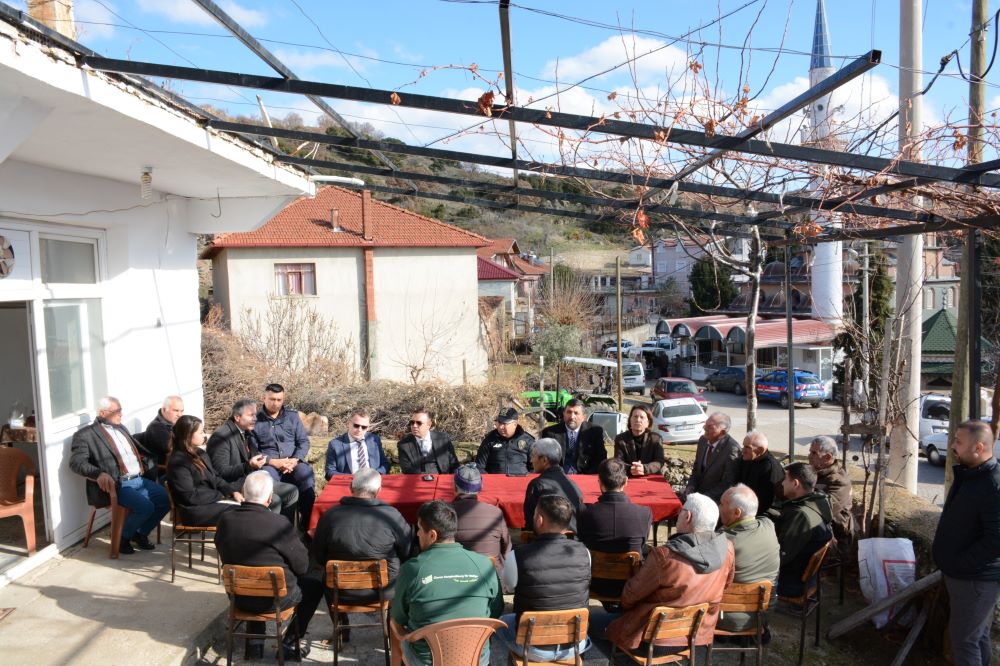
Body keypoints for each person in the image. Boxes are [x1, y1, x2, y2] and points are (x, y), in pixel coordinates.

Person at [607, 493, 735, 656]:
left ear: (687, 516)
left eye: (681, 511)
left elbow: (629, 596)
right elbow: (726, 585)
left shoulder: (665, 556)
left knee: (605, 626)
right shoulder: (728, 548)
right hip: (698, 636)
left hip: (654, 639)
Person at [215, 471, 321, 660]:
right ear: (270, 497)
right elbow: (302, 566)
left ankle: (254, 645)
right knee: (314, 586)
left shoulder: (225, 520)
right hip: (276, 599)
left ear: (243, 492)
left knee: (254, 576)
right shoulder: (278, 524)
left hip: (238, 596)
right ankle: (288, 645)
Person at [391, 501, 501, 666]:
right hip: (476, 658)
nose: (418, 534)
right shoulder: (485, 565)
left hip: (428, 661)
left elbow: (399, 618)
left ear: (432, 535)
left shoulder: (411, 570)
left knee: (393, 625)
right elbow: (495, 611)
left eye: (420, 529)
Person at [932, 420, 1000, 666]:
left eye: (959, 442)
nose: (952, 446)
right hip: (966, 576)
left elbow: (996, 540)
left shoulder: (993, 484)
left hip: (975, 580)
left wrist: (960, 564)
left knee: (964, 641)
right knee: (977, 637)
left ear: (978, 447)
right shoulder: (972, 474)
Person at [69, 396, 169, 555]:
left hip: (139, 479)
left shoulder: (121, 427)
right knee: (146, 507)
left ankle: (140, 533)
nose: (121, 414)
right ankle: (122, 537)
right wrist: (98, 473)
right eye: (117, 411)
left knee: (165, 500)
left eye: (121, 410)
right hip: (117, 485)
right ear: (102, 413)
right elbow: (76, 463)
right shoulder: (86, 435)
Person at [499, 495, 592, 662]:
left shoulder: (518, 555)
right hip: (574, 644)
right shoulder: (584, 552)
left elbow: (510, 586)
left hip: (533, 647)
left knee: (503, 621)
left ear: (539, 519)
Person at [311, 469, 412, 604]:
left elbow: (319, 555)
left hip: (338, 590)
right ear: (378, 490)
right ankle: (391, 621)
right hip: (385, 589)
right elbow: (406, 552)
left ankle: (341, 621)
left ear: (350, 487)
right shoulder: (392, 515)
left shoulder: (330, 516)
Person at [207, 399, 299, 522]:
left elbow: (257, 455)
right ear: (237, 417)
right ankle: (263, 536)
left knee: (291, 492)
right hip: (232, 488)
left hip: (250, 482)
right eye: (251, 415)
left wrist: (280, 463)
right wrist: (248, 466)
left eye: (255, 414)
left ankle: (284, 532)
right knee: (274, 500)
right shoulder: (221, 437)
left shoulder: (245, 432)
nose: (255, 418)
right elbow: (220, 472)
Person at [577, 458, 652, 600]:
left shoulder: (585, 513)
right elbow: (641, 545)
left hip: (594, 582)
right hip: (631, 583)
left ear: (599, 482)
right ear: (626, 481)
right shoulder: (644, 514)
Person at [717, 484, 780, 634]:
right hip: (762, 614)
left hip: (726, 617)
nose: (718, 507)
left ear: (737, 512)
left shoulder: (723, 543)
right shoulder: (769, 526)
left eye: (721, 504)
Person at [253, 384, 315, 529]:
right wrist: (273, 461)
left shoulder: (292, 417)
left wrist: (295, 460)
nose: (276, 403)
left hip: (293, 463)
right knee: (268, 482)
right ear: (264, 398)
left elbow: (303, 442)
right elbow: (254, 450)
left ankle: (306, 525)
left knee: (306, 476)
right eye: (272, 399)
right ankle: (277, 527)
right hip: (269, 465)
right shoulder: (255, 420)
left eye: (279, 400)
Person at [166, 415, 243, 526]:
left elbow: (215, 477)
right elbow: (190, 496)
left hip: (210, 502)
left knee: (248, 509)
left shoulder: (200, 453)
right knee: (242, 513)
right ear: (188, 435)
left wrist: (231, 491)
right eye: (201, 432)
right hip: (195, 511)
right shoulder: (178, 462)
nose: (204, 435)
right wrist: (220, 495)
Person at [775, 462, 833, 597]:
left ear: (795, 484)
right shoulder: (818, 501)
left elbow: (782, 555)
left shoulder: (800, 515)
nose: (782, 483)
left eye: (785, 479)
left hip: (791, 583)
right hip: (807, 577)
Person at [450, 465, 511, 580]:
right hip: (491, 577)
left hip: (455, 578)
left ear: (454, 487)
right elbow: (506, 548)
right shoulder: (495, 512)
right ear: (480, 487)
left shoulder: (444, 513)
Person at [523, 437, 584, 533]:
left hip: (546, 542)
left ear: (544, 460)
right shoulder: (573, 485)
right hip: (573, 542)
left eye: (533, 456)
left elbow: (531, 522)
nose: (531, 460)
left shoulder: (537, 485)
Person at [682, 411, 740, 503]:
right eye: (705, 425)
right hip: (696, 495)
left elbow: (727, 483)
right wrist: (690, 486)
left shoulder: (732, 449)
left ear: (722, 432)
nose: (704, 428)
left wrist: (703, 498)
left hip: (714, 501)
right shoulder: (703, 440)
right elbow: (697, 468)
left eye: (710, 427)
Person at [540, 399, 607, 474]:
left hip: (585, 477)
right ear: (563, 414)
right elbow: (544, 460)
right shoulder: (550, 433)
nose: (572, 417)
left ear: (584, 416)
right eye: (569, 412)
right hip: (558, 477)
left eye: (576, 413)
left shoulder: (594, 432)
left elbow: (601, 459)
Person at [808, 436, 854, 545]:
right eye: (810, 452)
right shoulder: (816, 471)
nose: (809, 456)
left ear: (828, 457)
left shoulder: (839, 482)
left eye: (814, 453)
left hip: (835, 539)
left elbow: (824, 510)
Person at [325, 409, 389, 479]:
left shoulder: (374, 440)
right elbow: (330, 472)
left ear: (368, 428)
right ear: (348, 423)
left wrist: (375, 475)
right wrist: (351, 478)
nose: (359, 430)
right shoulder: (335, 444)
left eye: (364, 427)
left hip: (373, 482)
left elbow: (385, 464)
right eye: (356, 425)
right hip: (348, 484)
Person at [396, 409, 460, 475]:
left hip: (442, 480)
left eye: (419, 423)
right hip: (417, 481)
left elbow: (454, 465)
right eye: (412, 422)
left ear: (429, 424)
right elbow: (406, 469)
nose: (414, 426)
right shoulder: (403, 445)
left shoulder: (443, 439)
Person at [737, 431, 785, 515]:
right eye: (743, 446)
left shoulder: (769, 467)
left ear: (761, 450)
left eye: (747, 447)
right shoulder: (747, 459)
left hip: (763, 512)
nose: (743, 450)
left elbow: (766, 501)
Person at [475, 408, 535, 475]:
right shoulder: (489, 440)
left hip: (520, 483)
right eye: (499, 422)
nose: (501, 427)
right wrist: (490, 481)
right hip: (495, 483)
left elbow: (535, 468)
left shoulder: (528, 440)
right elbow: (479, 466)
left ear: (515, 424)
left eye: (504, 423)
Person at [613, 404, 665, 476]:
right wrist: (632, 469)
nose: (638, 420)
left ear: (648, 422)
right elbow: (618, 462)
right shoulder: (621, 439)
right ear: (630, 420)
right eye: (635, 416)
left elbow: (659, 462)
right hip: (627, 477)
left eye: (642, 417)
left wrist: (644, 468)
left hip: (650, 477)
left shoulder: (656, 439)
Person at [142, 395, 184, 467]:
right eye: (176, 410)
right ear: (164, 410)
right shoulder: (156, 428)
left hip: (177, 464)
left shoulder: (174, 424)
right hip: (164, 471)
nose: (179, 414)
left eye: (182, 411)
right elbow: (174, 449)